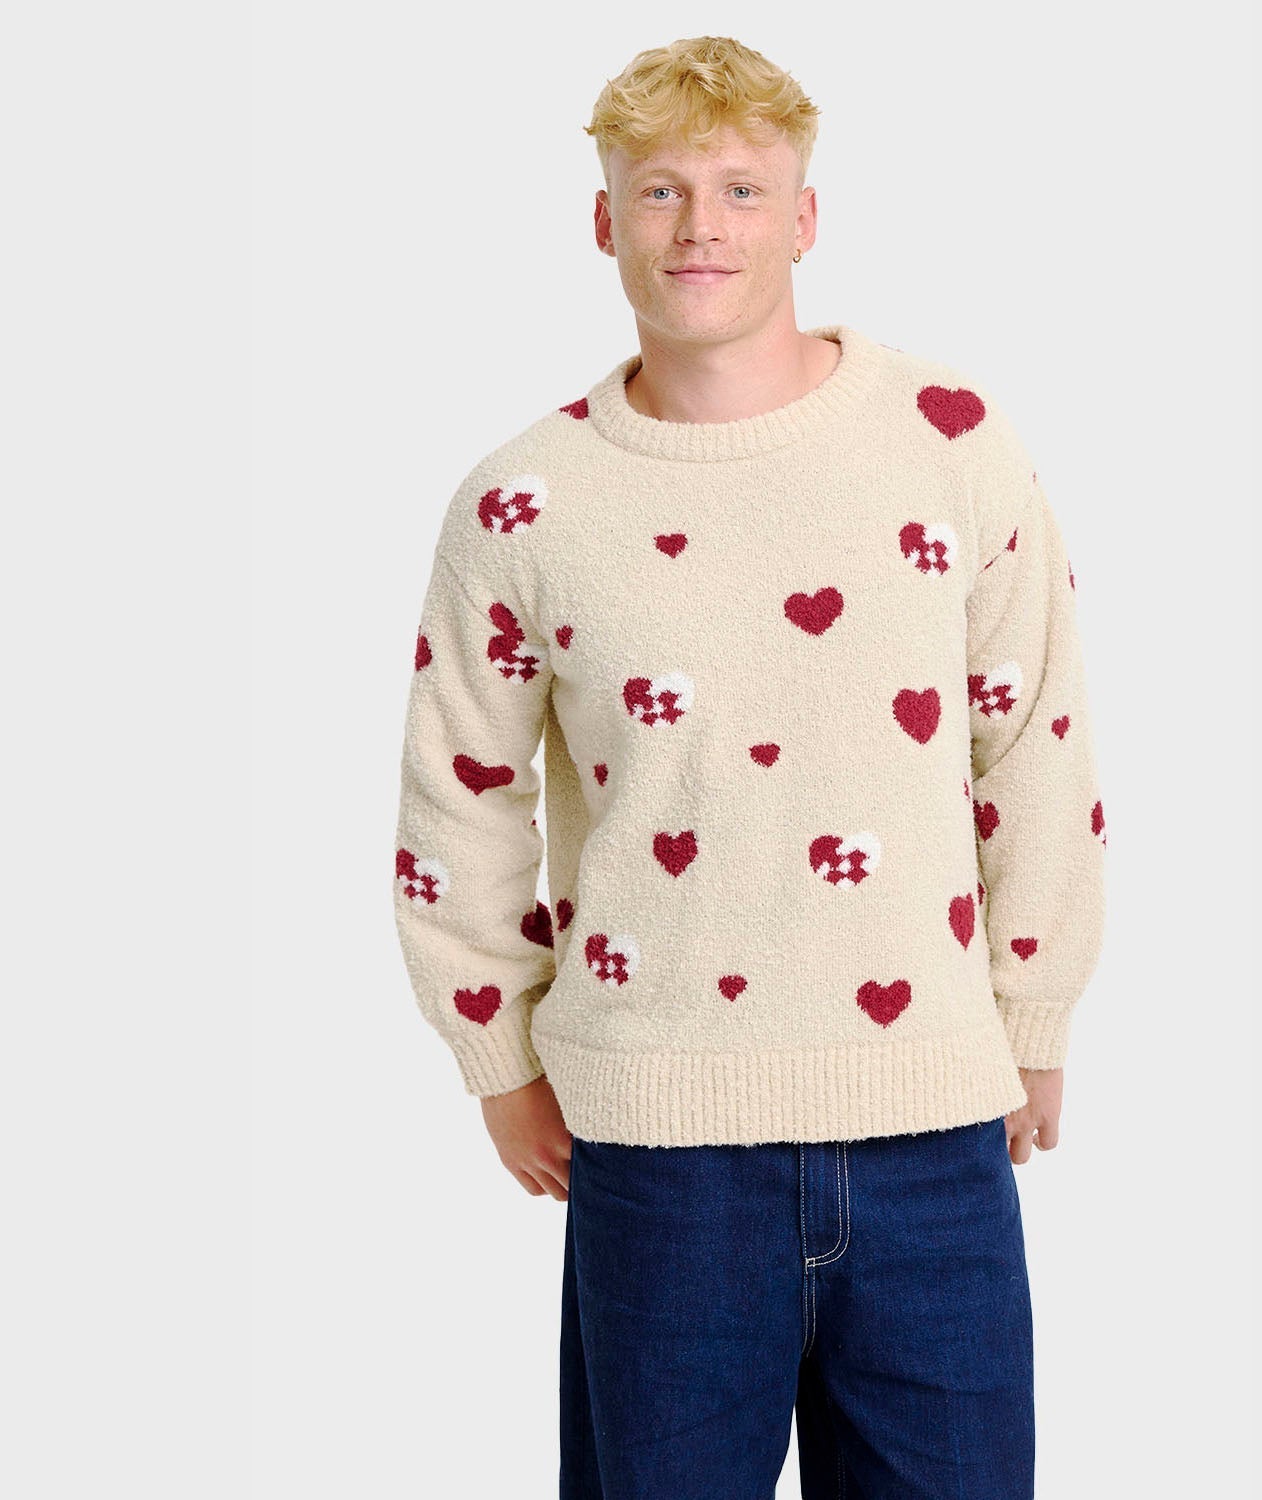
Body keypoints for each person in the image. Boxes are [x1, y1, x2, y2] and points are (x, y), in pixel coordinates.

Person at [391, 34, 1107, 1500]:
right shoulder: (524, 502)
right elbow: (458, 795)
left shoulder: (947, 441)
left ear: (805, 217)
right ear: (603, 220)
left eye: (738, 188)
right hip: (659, 1146)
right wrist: (497, 1057)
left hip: (932, 1127)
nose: (698, 227)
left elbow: (1034, 734)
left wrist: (1034, 1005)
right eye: (659, 191)